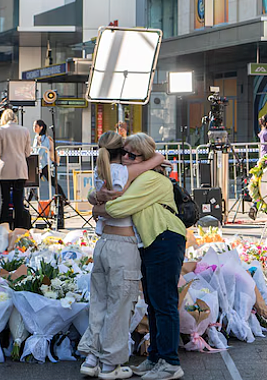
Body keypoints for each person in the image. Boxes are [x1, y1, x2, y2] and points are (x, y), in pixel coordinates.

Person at [93, 133, 186, 380]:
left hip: (164, 238)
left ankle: (170, 363)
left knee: (163, 303)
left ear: (144, 157)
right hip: (154, 241)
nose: (124, 158)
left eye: (131, 154)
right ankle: (156, 357)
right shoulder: (141, 176)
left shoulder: (150, 179)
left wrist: (98, 208)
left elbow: (119, 207)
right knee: (155, 305)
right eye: (123, 152)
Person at [80, 131, 165, 379]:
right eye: (127, 152)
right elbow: (154, 159)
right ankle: (110, 365)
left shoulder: (101, 171)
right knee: (120, 306)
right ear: (122, 153)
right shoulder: (124, 173)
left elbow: (96, 201)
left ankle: (91, 358)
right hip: (124, 245)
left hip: (103, 243)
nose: (130, 156)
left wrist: (95, 203)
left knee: (100, 304)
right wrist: (156, 158)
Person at [0, 109, 32, 230]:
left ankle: (3, 230)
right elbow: (28, 152)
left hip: (4, 169)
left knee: (4, 201)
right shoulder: (24, 131)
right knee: (18, 202)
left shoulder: (0, 130)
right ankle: (19, 230)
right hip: (20, 169)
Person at [32, 119, 66, 201]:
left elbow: (41, 151)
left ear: (41, 127)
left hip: (45, 165)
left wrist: (34, 155)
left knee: (50, 183)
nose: (34, 128)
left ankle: (64, 198)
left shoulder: (45, 139)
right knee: (34, 184)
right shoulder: (36, 138)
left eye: (35, 126)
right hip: (40, 165)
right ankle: (64, 198)